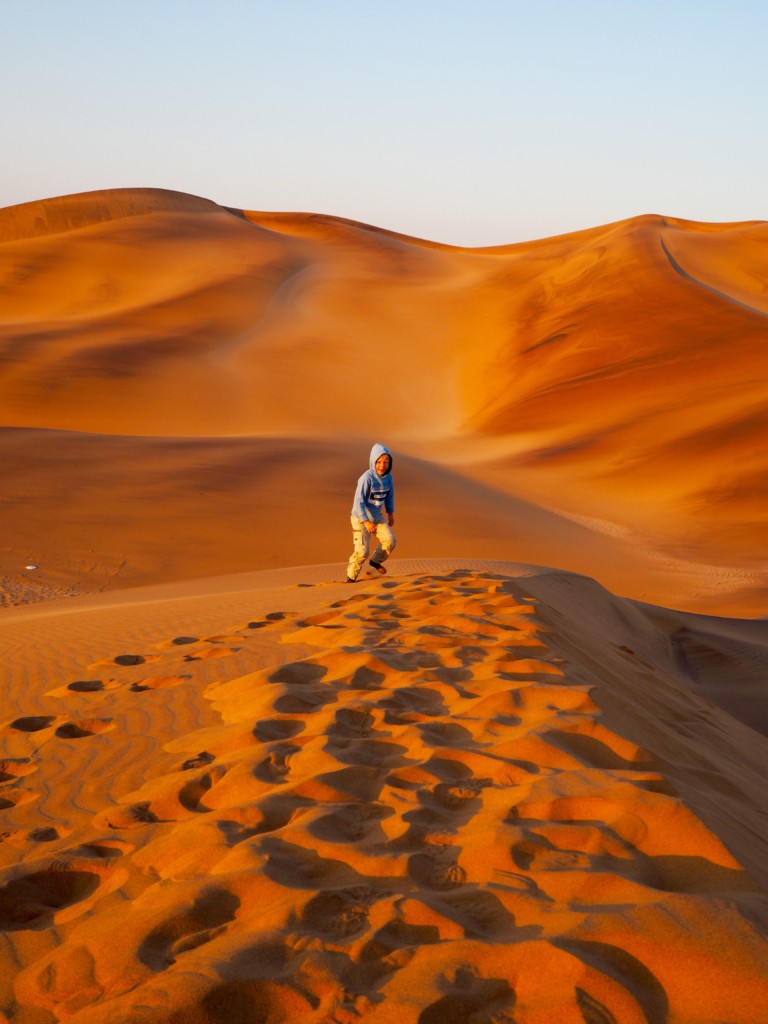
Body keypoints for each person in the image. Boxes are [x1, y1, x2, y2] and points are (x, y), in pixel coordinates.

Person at [346, 443, 396, 582]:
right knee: (362, 551)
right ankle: (350, 577)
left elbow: (390, 496)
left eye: (385, 462)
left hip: (376, 516)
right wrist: (366, 521)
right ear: (373, 461)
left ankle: (375, 561)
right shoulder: (366, 478)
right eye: (378, 462)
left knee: (390, 541)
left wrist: (390, 513)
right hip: (360, 519)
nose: (382, 465)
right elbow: (358, 502)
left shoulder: (389, 478)